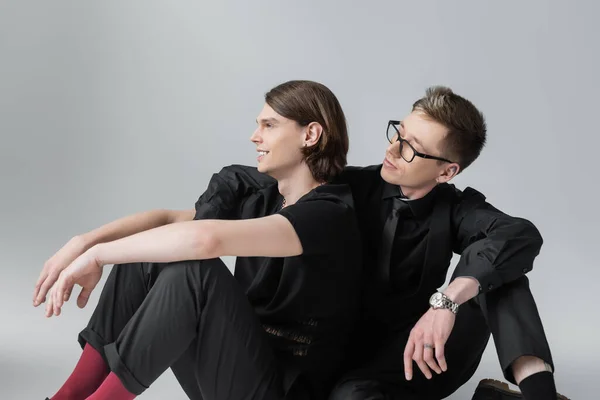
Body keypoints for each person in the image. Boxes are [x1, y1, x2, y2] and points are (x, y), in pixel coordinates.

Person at [193, 87, 569, 399]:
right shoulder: (347, 187)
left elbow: (519, 234)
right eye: (397, 133)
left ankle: (540, 395)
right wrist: (202, 224)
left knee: (500, 271)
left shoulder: (456, 207)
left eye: (410, 147)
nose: (391, 150)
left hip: (428, 352)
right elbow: (242, 179)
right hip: (347, 360)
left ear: (447, 171)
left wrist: (447, 301)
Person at [32, 80, 363, 400]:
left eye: (269, 125)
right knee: (150, 253)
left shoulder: (329, 214)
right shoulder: (260, 194)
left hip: (279, 387)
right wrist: (84, 243)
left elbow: (205, 241)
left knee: (193, 273)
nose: (254, 136)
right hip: (232, 366)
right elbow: (168, 220)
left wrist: (98, 257)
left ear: (310, 134)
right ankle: (69, 396)